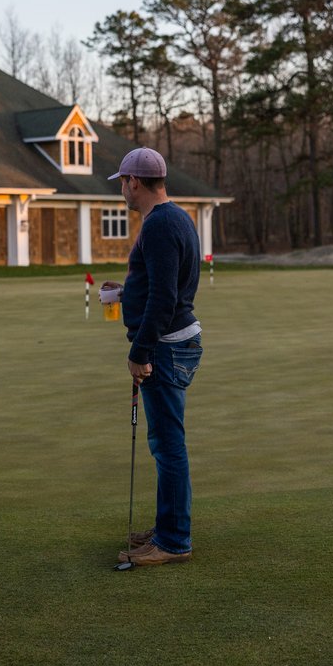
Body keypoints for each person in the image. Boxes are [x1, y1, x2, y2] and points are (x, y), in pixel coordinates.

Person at [101, 147, 203, 566]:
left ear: (135, 182)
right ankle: (168, 526)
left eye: (123, 182)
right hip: (176, 339)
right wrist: (127, 294)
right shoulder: (175, 217)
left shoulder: (159, 225)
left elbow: (164, 298)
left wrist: (139, 351)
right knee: (166, 442)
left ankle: (174, 540)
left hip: (165, 345)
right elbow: (165, 286)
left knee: (167, 445)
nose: (122, 190)